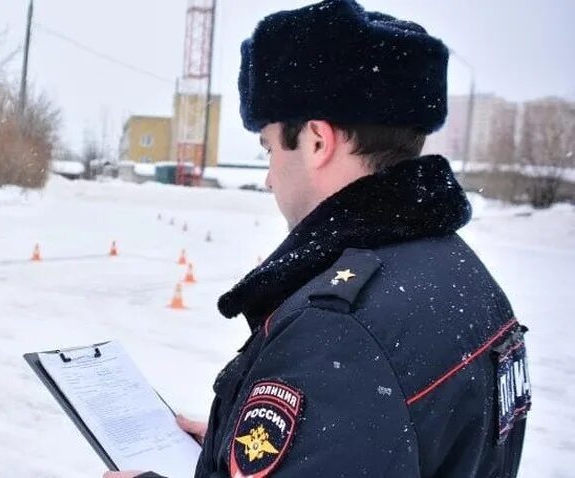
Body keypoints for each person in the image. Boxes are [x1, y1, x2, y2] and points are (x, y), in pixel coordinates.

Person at [105, 1, 530, 476]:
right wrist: (248, 451)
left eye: (268, 148)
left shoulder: (340, 331)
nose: (268, 177)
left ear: (316, 142)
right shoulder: (460, 272)